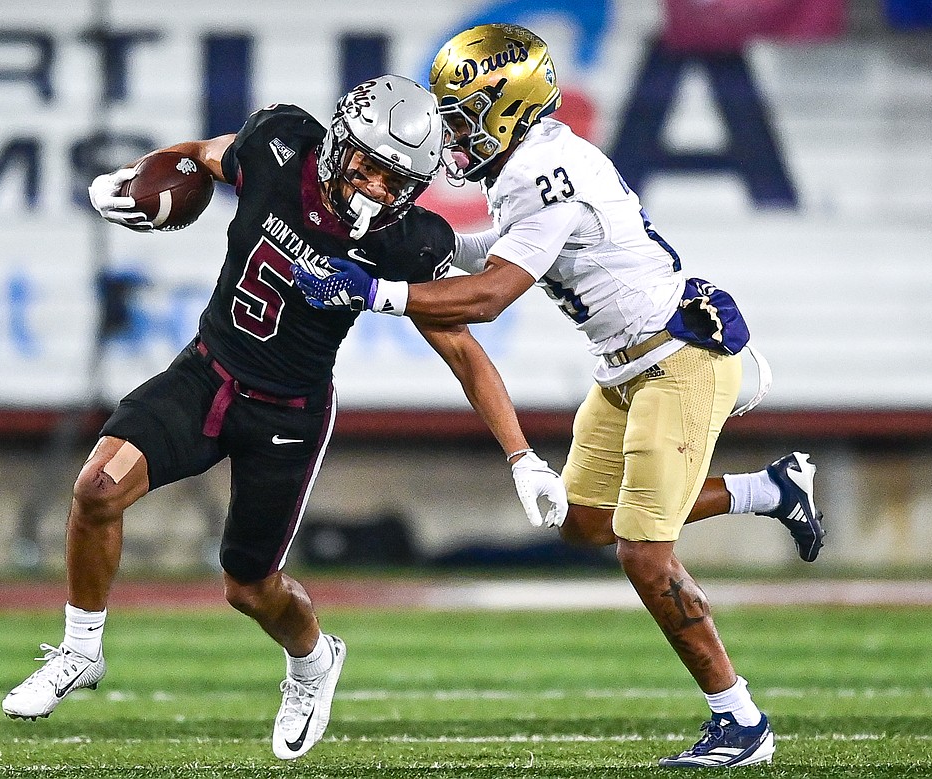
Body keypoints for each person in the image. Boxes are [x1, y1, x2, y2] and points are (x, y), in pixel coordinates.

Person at [293, 25, 825, 768]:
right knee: (581, 521)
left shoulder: (546, 171)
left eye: (463, 115)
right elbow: (490, 252)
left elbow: (488, 297)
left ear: (508, 109)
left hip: (678, 357)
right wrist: (415, 243)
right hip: (623, 367)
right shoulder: (522, 168)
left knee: (645, 554)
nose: (451, 133)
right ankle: (767, 490)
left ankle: (741, 720)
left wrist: (372, 289)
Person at [0, 73, 568, 761]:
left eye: (397, 182)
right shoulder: (277, 145)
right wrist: (140, 180)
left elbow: (462, 350)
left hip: (288, 414)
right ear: (338, 142)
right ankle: (80, 648)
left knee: (250, 586)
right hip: (206, 372)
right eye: (369, 167)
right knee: (96, 488)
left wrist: (521, 455)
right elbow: (203, 156)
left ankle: (313, 660)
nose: (378, 191)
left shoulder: (401, 242)